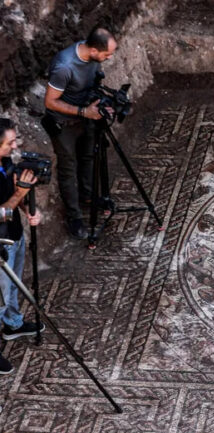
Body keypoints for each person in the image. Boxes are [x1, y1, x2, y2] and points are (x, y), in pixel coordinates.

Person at [43, 27, 117, 239]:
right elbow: (50, 102)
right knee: (68, 168)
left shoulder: (93, 59)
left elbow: (91, 85)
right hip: (64, 123)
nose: (109, 58)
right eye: (107, 54)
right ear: (93, 50)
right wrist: (83, 111)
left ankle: (88, 195)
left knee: (88, 157)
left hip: (86, 117)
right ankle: (74, 217)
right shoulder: (64, 66)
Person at [0, 119, 44, 374]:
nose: (15, 146)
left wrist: (28, 210)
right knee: (1, 295)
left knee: (13, 286)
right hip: (1, 244)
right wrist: (21, 193)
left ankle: (13, 324)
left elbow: (15, 194)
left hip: (14, 235)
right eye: (10, 143)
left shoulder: (5, 162)